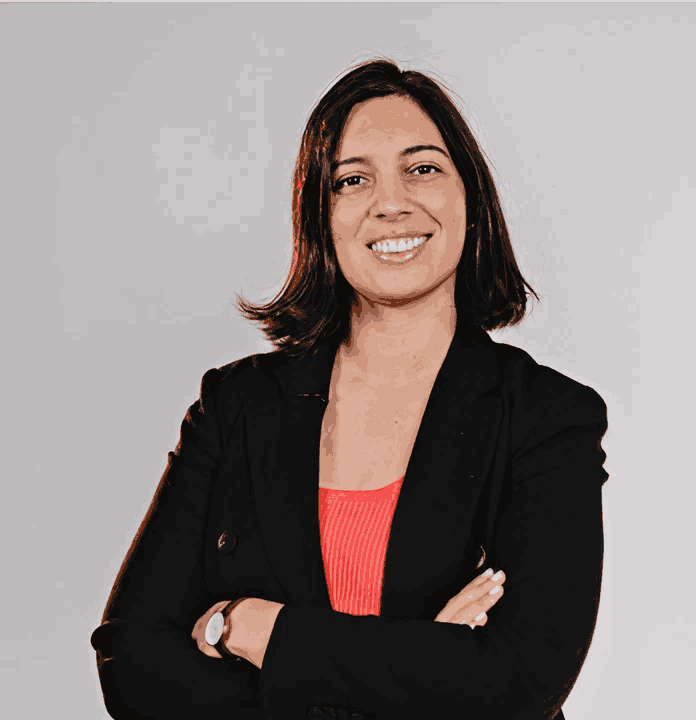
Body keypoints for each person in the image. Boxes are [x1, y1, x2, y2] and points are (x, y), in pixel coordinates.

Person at [90, 58, 609, 720]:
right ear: (320, 217)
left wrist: (256, 629)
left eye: (423, 169)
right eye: (352, 180)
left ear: (471, 201)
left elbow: (517, 683)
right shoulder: (236, 407)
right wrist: (422, 663)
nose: (391, 203)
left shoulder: (547, 417)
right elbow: (131, 665)